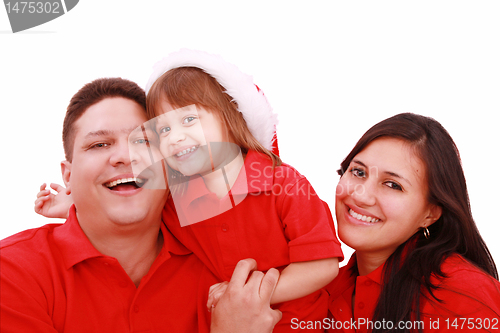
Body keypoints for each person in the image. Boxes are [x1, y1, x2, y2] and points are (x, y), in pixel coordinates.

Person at [35, 49, 343, 332]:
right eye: (164, 129)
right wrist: (74, 202)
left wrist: (246, 295)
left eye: (189, 120)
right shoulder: (179, 196)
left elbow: (324, 264)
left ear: (231, 118)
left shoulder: (283, 183)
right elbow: (132, 207)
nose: (176, 138)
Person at [1, 77, 282, 333]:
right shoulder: (13, 271)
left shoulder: (225, 265)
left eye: (145, 141)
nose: (125, 156)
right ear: (68, 175)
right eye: (99, 144)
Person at [326, 113, 500, 333]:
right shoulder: (321, 289)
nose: (361, 196)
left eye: (392, 185)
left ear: (430, 214)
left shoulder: (463, 295)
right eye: (358, 172)